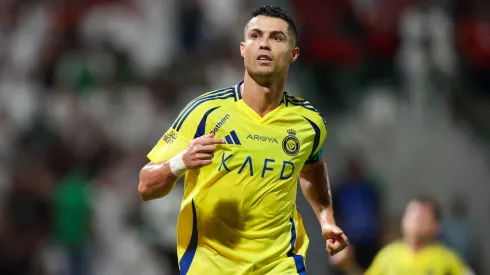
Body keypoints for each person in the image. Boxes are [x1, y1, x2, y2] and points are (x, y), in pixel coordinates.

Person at [137, 6, 348, 275]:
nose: (264, 44)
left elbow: (311, 166)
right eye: (256, 36)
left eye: (277, 38)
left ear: (294, 54)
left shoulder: (309, 123)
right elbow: (145, 185)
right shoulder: (204, 112)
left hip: (280, 265)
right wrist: (180, 162)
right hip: (210, 265)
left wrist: (326, 219)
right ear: (242, 48)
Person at [330, 196, 473, 275]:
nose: (415, 220)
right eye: (411, 214)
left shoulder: (448, 259)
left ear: (436, 226)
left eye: (422, 216)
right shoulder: (388, 256)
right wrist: (347, 265)